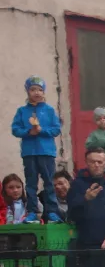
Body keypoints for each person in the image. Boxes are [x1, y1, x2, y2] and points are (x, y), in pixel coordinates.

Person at [11, 76, 60, 214]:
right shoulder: (22, 111)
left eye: (40, 90)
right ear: (27, 91)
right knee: (31, 183)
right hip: (29, 152)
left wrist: (41, 131)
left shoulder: (49, 110)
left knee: (49, 182)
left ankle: (52, 212)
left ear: (43, 92)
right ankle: (32, 211)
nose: (37, 93)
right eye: (33, 89)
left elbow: (56, 129)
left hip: (46, 152)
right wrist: (28, 132)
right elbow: (15, 129)